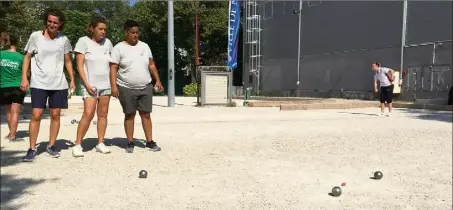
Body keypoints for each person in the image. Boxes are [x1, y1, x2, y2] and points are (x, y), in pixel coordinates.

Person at [21, 8, 76, 162]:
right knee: (36, 115)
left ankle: (51, 145)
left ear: (60, 24)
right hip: (39, 82)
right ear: (46, 21)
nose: (52, 24)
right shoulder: (35, 37)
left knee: (55, 115)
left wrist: (72, 78)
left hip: (58, 83)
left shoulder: (63, 39)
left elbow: (67, 61)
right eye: (49, 21)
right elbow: (27, 58)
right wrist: (24, 78)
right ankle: (32, 148)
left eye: (55, 22)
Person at [109, 20, 163, 153]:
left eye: (137, 32)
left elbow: (151, 65)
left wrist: (158, 80)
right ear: (126, 33)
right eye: (132, 33)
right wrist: (113, 86)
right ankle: (130, 142)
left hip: (145, 86)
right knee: (129, 114)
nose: (135, 35)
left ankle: (149, 141)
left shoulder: (145, 46)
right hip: (125, 87)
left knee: (146, 114)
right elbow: (113, 68)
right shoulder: (118, 48)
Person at [72, 17, 113, 157]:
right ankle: (77, 144)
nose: (103, 32)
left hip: (106, 85)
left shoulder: (108, 43)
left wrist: (113, 84)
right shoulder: (83, 42)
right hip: (90, 85)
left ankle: (100, 143)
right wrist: (86, 84)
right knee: (88, 114)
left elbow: (111, 65)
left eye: (105, 29)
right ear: (92, 29)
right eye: (100, 29)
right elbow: (79, 66)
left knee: (103, 114)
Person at [0, 32, 26, 142]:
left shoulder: (1, 55)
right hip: (18, 86)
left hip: (4, 86)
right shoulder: (22, 57)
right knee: (15, 111)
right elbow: (26, 73)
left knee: (8, 111)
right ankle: (12, 135)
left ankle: (11, 133)